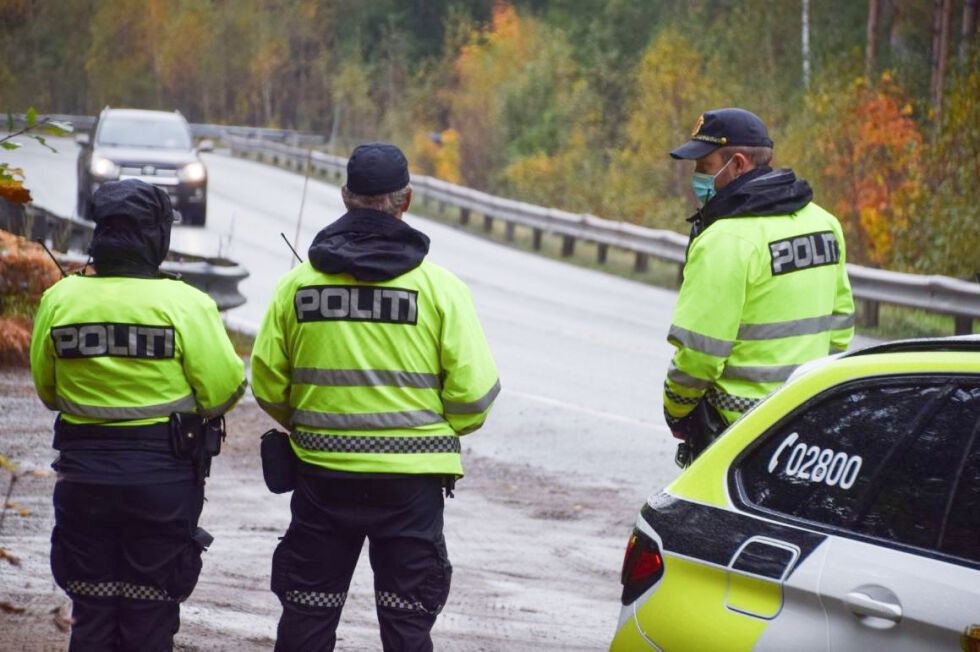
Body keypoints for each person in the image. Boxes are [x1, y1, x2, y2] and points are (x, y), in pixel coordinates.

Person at [251, 142, 500, 652]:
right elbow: (474, 398)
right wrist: (432, 427)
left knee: (306, 622)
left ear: (346, 197)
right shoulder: (440, 289)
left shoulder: (297, 286)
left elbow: (268, 386)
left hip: (322, 481)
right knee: (407, 628)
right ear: (405, 200)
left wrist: (314, 421)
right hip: (411, 491)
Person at [29, 179, 247, 651]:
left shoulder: (61, 300)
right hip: (163, 485)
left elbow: (49, 391)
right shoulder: (186, 304)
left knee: (92, 614)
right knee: (149, 616)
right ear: (158, 238)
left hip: (82, 483)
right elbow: (224, 392)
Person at [663, 108, 855, 465]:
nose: (696, 177)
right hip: (806, 428)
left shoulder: (725, 240)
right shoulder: (824, 224)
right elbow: (840, 329)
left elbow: (699, 356)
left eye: (703, 166)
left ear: (736, 165)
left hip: (738, 436)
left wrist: (676, 409)